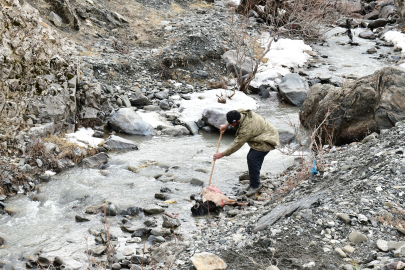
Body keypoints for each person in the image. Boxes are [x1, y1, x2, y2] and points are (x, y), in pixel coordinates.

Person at [213, 109, 279, 196]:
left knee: (252, 158)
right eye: (230, 123)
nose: (231, 126)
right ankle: (254, 181)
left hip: (268, 139)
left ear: (238, 120)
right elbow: (235, 112)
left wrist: (221, 154)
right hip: (262, 134)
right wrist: (226, 125)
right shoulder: (240, 113)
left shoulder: (246, 129)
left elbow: (236, 145)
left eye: (233, 124)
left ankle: (255, 185)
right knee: (253, 158)